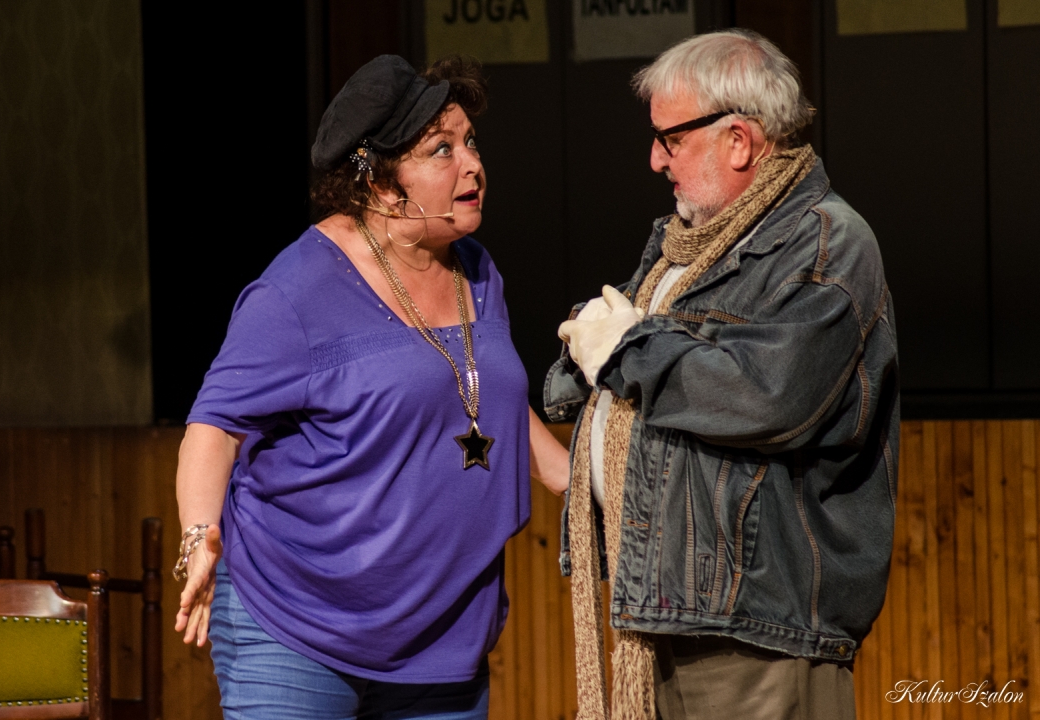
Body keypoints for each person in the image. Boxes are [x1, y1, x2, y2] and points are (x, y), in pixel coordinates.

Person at [172, 54, 569, 720]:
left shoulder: (476, 271)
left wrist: (577, 481)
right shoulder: (297, 291)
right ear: (381, 183)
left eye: (471, 142)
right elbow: (215, 426)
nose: (472, 164)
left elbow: (480, 398)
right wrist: (198, 537)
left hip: (442, 633)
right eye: (441, 150)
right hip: (297, 627)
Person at [548, 30, 898, 720]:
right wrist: (593, 351)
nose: (655, 159)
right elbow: (594, 375)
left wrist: (624, 351)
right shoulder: (687, 245)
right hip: (667, 606)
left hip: (756, 630)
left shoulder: (823, 244)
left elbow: (767, 395)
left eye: (670, 139)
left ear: (738, 140)